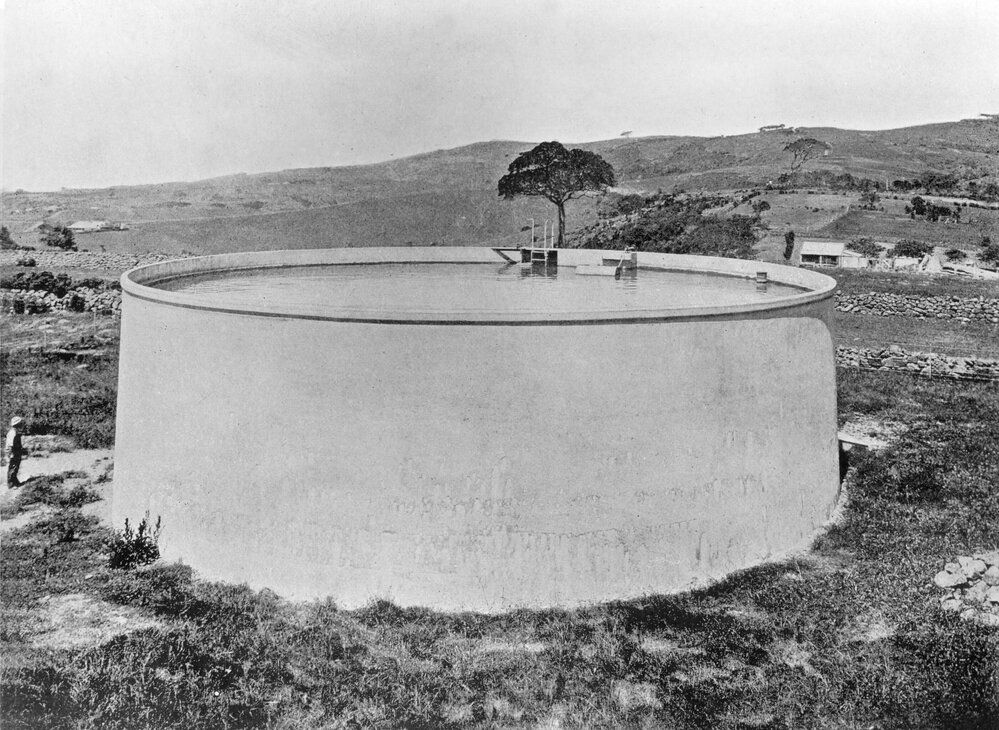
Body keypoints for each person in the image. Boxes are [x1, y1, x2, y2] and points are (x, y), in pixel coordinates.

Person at [5, 416, 25, 488]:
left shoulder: (16, 431)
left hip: (16, 451)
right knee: (13, 467)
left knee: (16, 467)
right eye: (20, 423)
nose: (22, 424)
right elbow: (10, 445)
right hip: (13, 452)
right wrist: (11, 454)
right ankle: (11, 484)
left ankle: (15, 481)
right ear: (17, 424)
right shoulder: (12, 432)